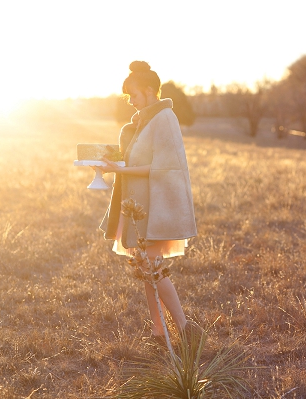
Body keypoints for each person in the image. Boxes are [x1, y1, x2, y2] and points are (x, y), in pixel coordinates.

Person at [98, 61, 197, 345]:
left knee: (151, 266)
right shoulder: (144, 121)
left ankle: (185, 328)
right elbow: (137, 159)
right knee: (145, 268)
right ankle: (158, 332)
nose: (131, 102)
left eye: (135, 96)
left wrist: (121, 171)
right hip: (138, 206)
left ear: (151, 92)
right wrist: (112, 161)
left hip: (154, 207)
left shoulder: (165, 118)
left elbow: (163, 167)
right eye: (128, 97)